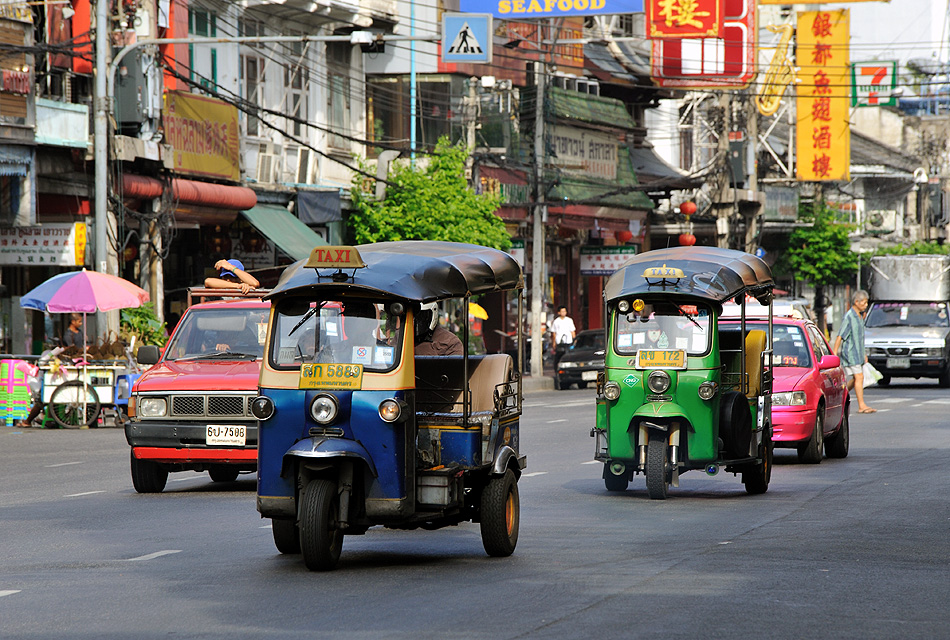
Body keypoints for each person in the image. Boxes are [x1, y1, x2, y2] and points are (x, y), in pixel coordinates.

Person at [833, 289, 876, 414]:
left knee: (856, 379)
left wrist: (864, 354)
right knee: (859, 376)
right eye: (863, 302)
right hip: (850, 353)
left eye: (866, 302)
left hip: (858, 353)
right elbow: (840, 335)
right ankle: (861, 405)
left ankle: (840, 394)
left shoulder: (860, 316)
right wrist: (834, 352)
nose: (865, 305)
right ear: (856, 302)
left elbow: (860, 337)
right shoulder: (849, 316)